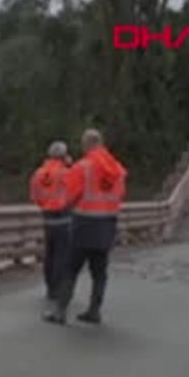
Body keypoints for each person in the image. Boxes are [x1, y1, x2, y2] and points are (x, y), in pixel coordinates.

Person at [44, 129, 127, 326]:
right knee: (99, 271)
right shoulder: (117, 169)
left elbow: (69, 197)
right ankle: (94, 310)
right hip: (107, 224)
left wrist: (64, 208)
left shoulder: (83, 167)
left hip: (84, 224)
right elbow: (121, 195)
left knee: (70, 268)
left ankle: (60, 311)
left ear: (87, 144)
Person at [29, 141, 72, 300]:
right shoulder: (66, 172)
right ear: (63, 156)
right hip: (64, 218)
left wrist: (45, 205)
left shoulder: (38, 173)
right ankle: (57, 287)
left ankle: (49, 286)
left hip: (47, 218)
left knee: (50, 253)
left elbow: (34, 196)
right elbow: (73, 193)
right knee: (62, 254)